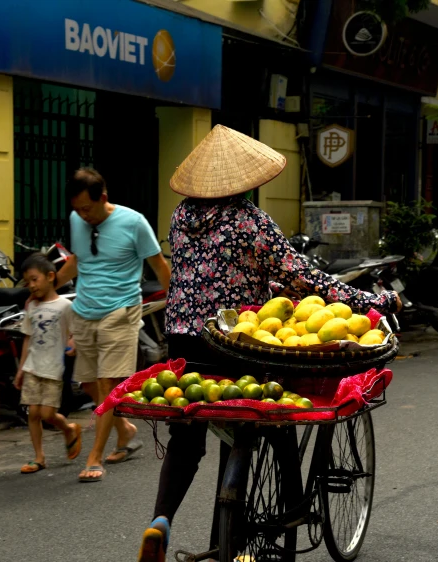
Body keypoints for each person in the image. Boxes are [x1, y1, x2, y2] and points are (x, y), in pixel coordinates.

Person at [137, 125, 402, 562]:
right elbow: (307, 277)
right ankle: (262, 526)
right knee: (267, 413)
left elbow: (220, 272)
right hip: (238, 340)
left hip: (184, 338)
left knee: (189, 434)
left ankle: (160, 520)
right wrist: (370, 299)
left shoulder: (182, 216)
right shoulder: (250, 221)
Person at [53, 168, 171, 482]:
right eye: (77, 209)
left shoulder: (134, 222)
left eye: (87, 209)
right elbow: (77, 260)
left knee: (107, 384)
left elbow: (159, 265)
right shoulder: (78, 219)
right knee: (89, 383)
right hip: (84, 310)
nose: (81, 215)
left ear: (103, 198)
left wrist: (178, 307)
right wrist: (47, 287)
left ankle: (95, 457)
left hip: (120, 311)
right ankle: (126, 430)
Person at [14, 254, 82, 473]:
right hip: (33, 367)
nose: (31, 286)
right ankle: (39, 457)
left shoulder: (65, 306)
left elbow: (74, 331)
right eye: (27, 282)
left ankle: (69, 428)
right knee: (32, 413)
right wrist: (20, 369)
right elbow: (27, 337)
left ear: (51, 276)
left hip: (54, 368)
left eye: (35, 279)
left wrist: (73, 342)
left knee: (47, 415)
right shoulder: (31, 307)